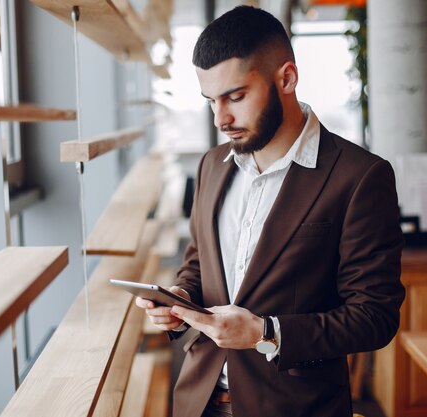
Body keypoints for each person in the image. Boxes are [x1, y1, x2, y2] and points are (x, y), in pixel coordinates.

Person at [136, 6, 404, 417]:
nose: (221, 119)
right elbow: (199, 262)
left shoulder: (361, 176)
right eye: (211, 101)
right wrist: (182, 299)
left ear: (287, 78)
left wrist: (266, 332)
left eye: (236, 97)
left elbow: (374, 317)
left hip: (295, 407)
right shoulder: (211, 164)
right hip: (198, 400)